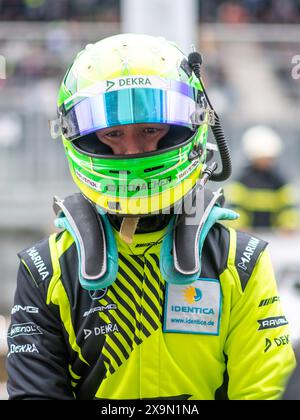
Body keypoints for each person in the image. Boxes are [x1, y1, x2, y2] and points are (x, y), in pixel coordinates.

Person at [6, 33, 295, 400]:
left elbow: (265, 391)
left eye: (150, 130)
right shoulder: (46, 269)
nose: (133, 150)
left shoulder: (240, 262)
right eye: (112, 133)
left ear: (191, 125)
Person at [226, 125, 299, 231]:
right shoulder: (242, 181)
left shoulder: (280, 181)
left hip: (277, 239)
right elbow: (235, 208)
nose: (265, 161)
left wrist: (288, 226)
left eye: (268, 158)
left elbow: (288, 209)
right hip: (248, 239)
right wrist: (239, 227)